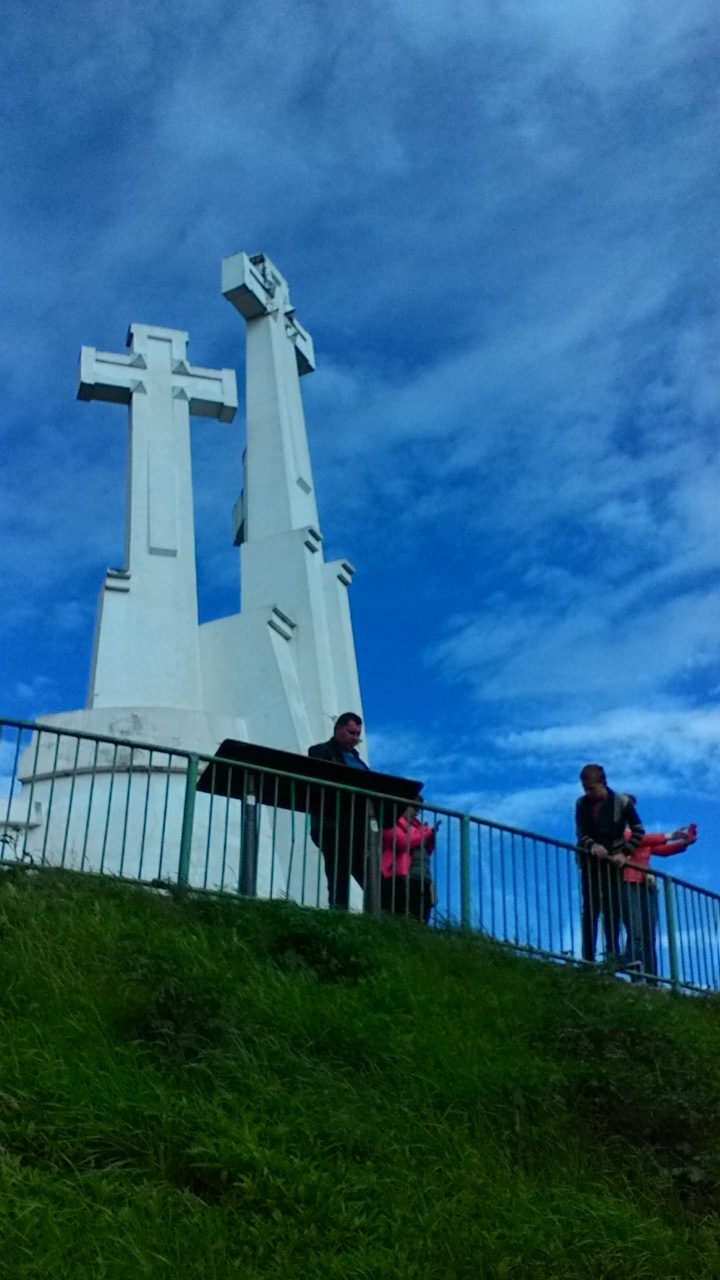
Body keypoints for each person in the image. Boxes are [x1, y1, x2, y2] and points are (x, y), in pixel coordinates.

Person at [575, 764, 644, 964]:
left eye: (591, 788)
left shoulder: (621, 802)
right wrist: (592, 845)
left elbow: (639, 830)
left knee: (611, 912)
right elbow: (581, 833)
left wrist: (625, 853)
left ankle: (611, 959)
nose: (587, 792)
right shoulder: (581, 803)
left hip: (613, 865)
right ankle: (588, 961)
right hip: (590, 865)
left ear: (603, 784)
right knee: (590, 910)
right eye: (585, 788)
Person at [619, 816, 697, 979]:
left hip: (646, 885)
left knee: (649, 932)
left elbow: (661, 850)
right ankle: (635, 973)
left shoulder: (641, 837)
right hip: (628, 881)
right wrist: (671, 836)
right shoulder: (620, 833)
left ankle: (651, 976)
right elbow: (636, 839)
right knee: (635, 929)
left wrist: (684, 843)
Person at [308, 713, 369, 908]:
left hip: (356, 826)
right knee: (338, 872)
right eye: (351, 732)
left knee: (367, 873)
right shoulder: (320, 751)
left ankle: (379, 916)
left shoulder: (359, 762)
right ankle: (339, 912)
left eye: (358, 734)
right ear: (338, 729)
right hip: (331, 823)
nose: (355, 738)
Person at [380, 799, 436, 924]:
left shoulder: (418, 828)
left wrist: (430, 840)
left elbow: (424, 854)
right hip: (402, 877)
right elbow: (402, 842)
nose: (416, 812)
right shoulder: (391, 822)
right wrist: (426, 832)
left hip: (424, 878)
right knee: (402, 915)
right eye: (414, 807)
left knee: (421, 918)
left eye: (418, 809)